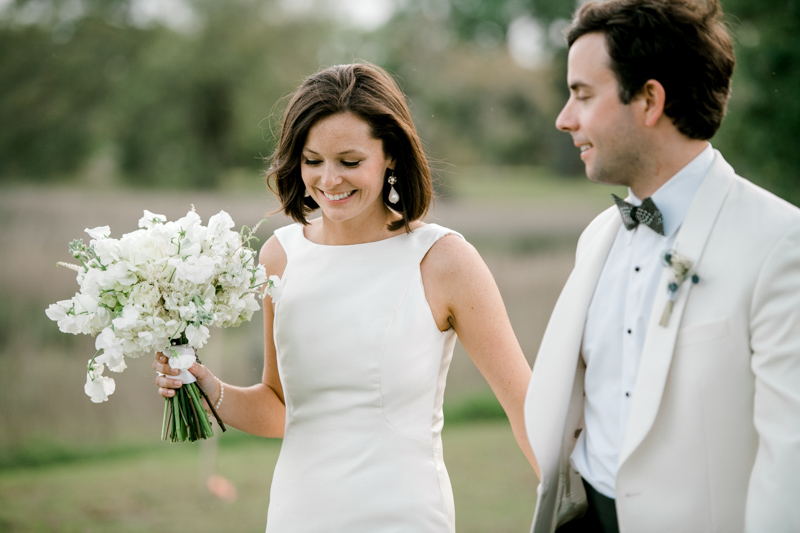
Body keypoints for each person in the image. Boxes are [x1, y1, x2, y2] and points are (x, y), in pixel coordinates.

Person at [153, 62, 536, 532]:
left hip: (403, 516)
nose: (329, 180)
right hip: (298, 515)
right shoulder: (280, 256)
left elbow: (526, 407)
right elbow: (281, 408)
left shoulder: (443, 259)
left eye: (349, 162)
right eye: (313, 161)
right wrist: (208, 388)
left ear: (390, 154)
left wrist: (573, 509)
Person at [523, 0, 800, 532]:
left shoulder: (779, 247)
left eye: (581, 94)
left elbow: (789, 466)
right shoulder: (598, 238)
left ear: (649, 99)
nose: (564, 118)